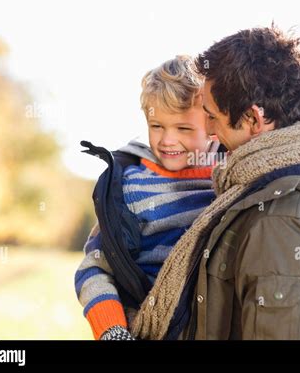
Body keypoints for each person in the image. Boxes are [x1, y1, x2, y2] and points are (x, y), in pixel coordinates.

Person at [129, 26, 300, 340]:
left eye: (212, 116)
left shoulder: (281, 221)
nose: (209, 132)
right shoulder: (296, 186)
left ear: (254, 119)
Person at [74, 55, 221, 340]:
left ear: (214, 125)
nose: (167, 140)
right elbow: (94, 266)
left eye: (184, 128)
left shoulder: (231, 178)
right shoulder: (130, 186)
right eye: (157, 126)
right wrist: (113, 330)